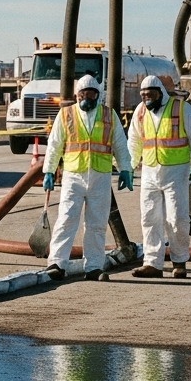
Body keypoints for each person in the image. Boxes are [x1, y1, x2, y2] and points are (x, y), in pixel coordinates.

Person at [41, 74, 133, 281]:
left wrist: (125, 169)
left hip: (100, 177)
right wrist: (49, 171)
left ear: (97, 95)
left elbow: (120, 144)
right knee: (66, 219)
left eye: (90, 94)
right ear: (76, 95)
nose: (86, 98)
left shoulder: (109, 115)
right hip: (74, 176)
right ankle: (56, 263)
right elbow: (55, 145)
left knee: (97, 224)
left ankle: (93, 267)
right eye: (82, 94)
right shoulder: (66, 115)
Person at [126, 75, 191, 278]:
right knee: (149, 217)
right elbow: (134, 141)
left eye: (150, 94)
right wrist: (128, 167)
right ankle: (152, 263)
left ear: (160, 93)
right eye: (143, 95)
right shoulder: (141, 111)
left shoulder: (181, 109)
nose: (147, 98)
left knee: (177, 218)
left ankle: (179, 262)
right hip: (150, 171)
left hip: (176, 172)